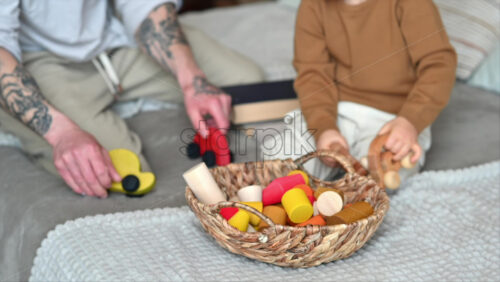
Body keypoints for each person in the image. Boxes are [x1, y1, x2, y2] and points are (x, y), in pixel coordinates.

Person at [0, 0, 264, 198]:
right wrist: (61, 133)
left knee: (248, 86)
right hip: (36, 60)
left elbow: (143, 4)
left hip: (117, 38)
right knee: (122, 172)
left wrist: (192, 81)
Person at [263, 0, 457, 181]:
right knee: (278, 159)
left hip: (394, 119)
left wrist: (410, 121)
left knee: (384, 173)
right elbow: (313, 76)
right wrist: (324, 128)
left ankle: (353, 187)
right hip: (337, 110)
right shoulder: (313, 6)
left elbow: (439, 65)